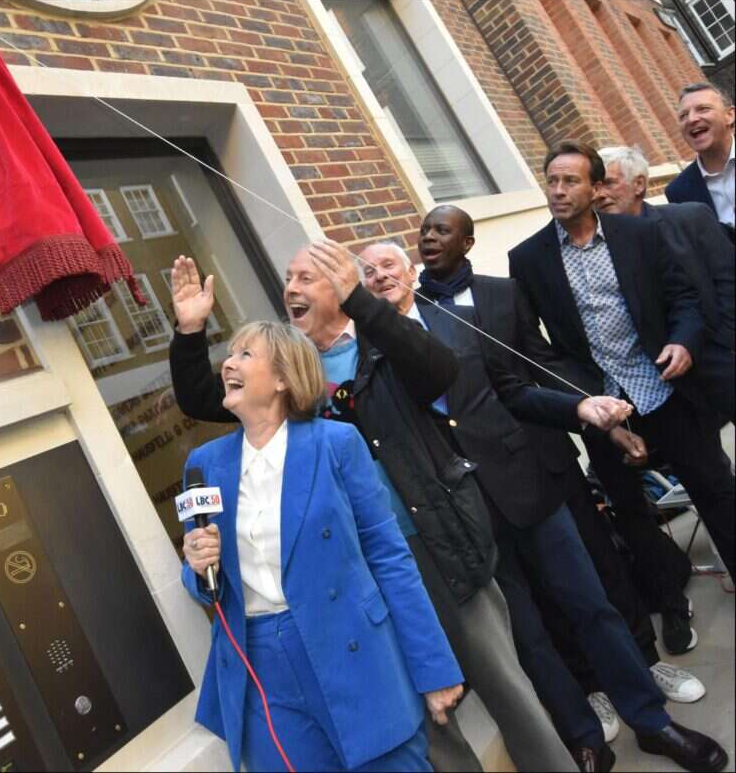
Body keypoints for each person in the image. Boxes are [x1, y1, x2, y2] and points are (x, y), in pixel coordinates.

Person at [170, 252, 579, 772]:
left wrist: (364, 303)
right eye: (287, 278)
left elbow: (439, 368)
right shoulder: (280, 371)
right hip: (347, 570)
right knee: (423, 720)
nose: (290, 287)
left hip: (428, 542)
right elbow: (208, 395)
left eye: (306, 278)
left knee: (502, 682)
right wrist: (189, 333)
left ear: (342, 288)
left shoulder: (381, 341)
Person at [355, 208, 710, 771]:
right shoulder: (366, 358)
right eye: (365, 271)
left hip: (527, 487)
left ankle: (652, 720)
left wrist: (582, 408)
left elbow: (515, 389)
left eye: (387, 265)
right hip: (464, 518)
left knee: (591, 606)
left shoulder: (454, 321)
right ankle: (583, 739)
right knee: (529, 637)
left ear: (409, 270)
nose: (377, 276)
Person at [180, 320, 464, 772]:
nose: (228, 363)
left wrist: (434, 668)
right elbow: (204, 581)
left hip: (351, 649)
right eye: (229, 355)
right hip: (261, 670)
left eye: (245, 355)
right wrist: (196, 565)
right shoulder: (204, 464)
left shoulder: (336, 444)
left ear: (283, 379)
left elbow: (389, 557)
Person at [508, 141, 735, 586]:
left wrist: (683, 342)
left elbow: (684, 298)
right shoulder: (528, 259)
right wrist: (586, 405)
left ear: (594, 189)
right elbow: (537, 347)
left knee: (717, 492)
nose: (557, 190)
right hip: (602, 409)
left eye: (570, 181)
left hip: (667, 390)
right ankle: (672, 599)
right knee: (631, 513)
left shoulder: (639, 236)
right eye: (551, 181)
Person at [598, 144, 733, 424]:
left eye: (609, 183)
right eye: (595, 186)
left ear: (639, 184)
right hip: (667, 383)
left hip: (721, 359)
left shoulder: (690, 218)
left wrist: (727, 344)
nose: (599, 194)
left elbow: (728, 281)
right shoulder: (600, 249)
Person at [666, 82, 735, 235]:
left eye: (703, 109)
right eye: (683, 115)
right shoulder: (678, 191)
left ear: (730, 115)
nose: (691, 119)